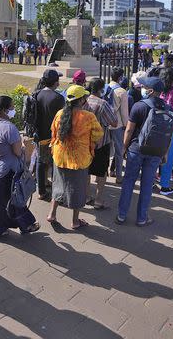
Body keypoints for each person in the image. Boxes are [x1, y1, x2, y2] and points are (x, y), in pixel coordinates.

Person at [0, 96, 39, 240]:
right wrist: (24, 147)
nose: (14, 110)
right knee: (14, 200)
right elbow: (18, 152)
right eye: (12, 107)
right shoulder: (10, 128)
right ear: (6, 110)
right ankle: (25, 224)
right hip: (8, 170)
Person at [47, 85, 103, 229]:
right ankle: (75, 221)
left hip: (60, 157)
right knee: (77, 190)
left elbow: (53, 131)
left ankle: (52, 214)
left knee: (58, 185)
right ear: (81, 100)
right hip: (79, 160)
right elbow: (98, 134)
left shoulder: (60, 113)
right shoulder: (88, 117)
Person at [116, 76, 168, 227]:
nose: (142, 89)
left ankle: (121, 215)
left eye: (144, 87)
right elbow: (168, 134)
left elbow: (129, 130)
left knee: (129, 182)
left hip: (136, 149)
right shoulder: (167, 108)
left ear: (150, 91)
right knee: (147, 185)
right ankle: (142, 218)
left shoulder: (139, 106)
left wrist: (124, 148)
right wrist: (164, 154)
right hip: (155, 152)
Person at [84, 78, 118, 209]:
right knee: (102, 171)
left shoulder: (84, 101)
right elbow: (114, 122)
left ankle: (86, 196)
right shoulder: (103, 104)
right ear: (100, 89)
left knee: (86, 170)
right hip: (101, 142)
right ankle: (98, 200)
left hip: (85, 141)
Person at [33, 69, 66, 200]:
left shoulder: (37, 94)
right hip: (53, 136)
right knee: (55, 163)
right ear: (56, 82)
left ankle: (41, 190)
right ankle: (56, 191)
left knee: (41, 162)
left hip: (39, 134)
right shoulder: (58, 98)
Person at [156, 68, 173, 195]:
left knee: (154, 155)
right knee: (168, 157)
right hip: (171, 127)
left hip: (155, 126)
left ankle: (150, 181)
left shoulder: (157, 89)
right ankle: (165, 186)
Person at [107, 68, 130, 183]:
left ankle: (103, 173)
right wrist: (126, 126)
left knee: (105, 150)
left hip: (106, 123)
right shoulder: (122, 91)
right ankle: (118, 176)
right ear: (120, 77)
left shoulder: (106, 88)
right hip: (117, 124)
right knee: (119, 151)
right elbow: (124, 113)